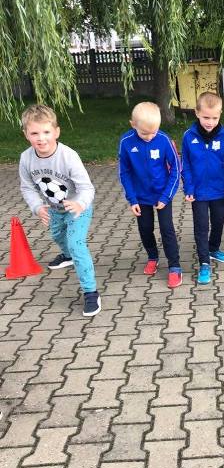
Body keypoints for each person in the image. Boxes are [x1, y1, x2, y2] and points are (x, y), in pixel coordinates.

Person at [19, 104, 101, 316]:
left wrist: (80, 204)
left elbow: (86, 188)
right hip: (54, 209)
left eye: (46, 132)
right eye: (34, 133)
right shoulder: (26, 158)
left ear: (56, 132)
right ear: (26, 134)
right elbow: (27, 187)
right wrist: (37, 207)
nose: (41, 138)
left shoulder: (68, 156)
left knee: (76, 245)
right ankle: (67, 255)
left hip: (77, 209)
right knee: (57, 235)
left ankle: (91, 292)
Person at [118, 101, 182, 287]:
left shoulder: (164, 140)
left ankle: (174, 266)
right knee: (145, 229)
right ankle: (153, 256)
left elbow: (176, 169)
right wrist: (132, 199)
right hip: (140, 197)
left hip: (162, 194)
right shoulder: (126, 142)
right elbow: (124, 172)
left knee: (167, 229)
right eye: (144, 133)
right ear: (133, 125)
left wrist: (166, 196)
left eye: (154, 132)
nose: (150, 137)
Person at [181, 92, 224, 285]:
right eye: (206, 117)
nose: (210, 122)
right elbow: (185, 165)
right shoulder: (188, 136)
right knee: (201, 227)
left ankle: (213, 249)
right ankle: (204, 262)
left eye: (215, 118)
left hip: (217, 191)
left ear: (220, 114)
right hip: (198, 193)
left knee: (218, 222)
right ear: (197, 113)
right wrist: (188, 187)